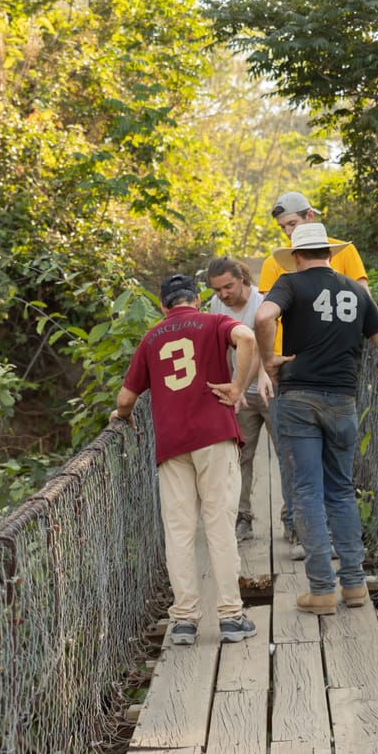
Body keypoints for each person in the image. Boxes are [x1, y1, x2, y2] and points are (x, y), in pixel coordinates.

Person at [255, 223, 378, 615]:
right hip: (343, 401)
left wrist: (268, 360)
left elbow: (264, 317)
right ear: (330, 254)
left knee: (307, 492)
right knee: (342, 490)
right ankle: (354, 585)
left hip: (298, 399)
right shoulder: (357, 291)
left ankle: (321, 590)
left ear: (296, 257)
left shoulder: (289, 283)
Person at [110, 273, 257, 646]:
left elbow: (125, 399)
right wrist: (238, 387)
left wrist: (123, 416)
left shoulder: (151, 338)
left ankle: (185, 621)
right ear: (198, 300)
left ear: (163, 306)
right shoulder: (215, 322)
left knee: (178, 532)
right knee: (219, 526)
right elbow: (247, 338)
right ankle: (231, 616)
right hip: (215, 437)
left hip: (172, 445)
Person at [258, 190, 378, 557]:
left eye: (292, 224)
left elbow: (367, 305)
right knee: (295, 461)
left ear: (310, 216)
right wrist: (265, 366)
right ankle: (302, 531)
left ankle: (327, 540)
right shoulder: (275, 262)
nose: (288, 232)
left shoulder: (344, 252)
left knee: (324, 466)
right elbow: (266, 318)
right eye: (282, 227)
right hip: (288, 372)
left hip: (334, 368)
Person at [207, 256, 275, 543]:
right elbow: (220, 348)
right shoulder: (217, 305)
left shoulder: (263, 303)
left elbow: (261, 349)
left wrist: (242, 386)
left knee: (288, 455)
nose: (224, 294)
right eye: (217, 289)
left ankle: (293, 522)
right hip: (239, 393)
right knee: (240, 456)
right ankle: (242, 517)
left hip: (270, 389)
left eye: (228, 287)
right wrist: (229, 389)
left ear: (242, 279)